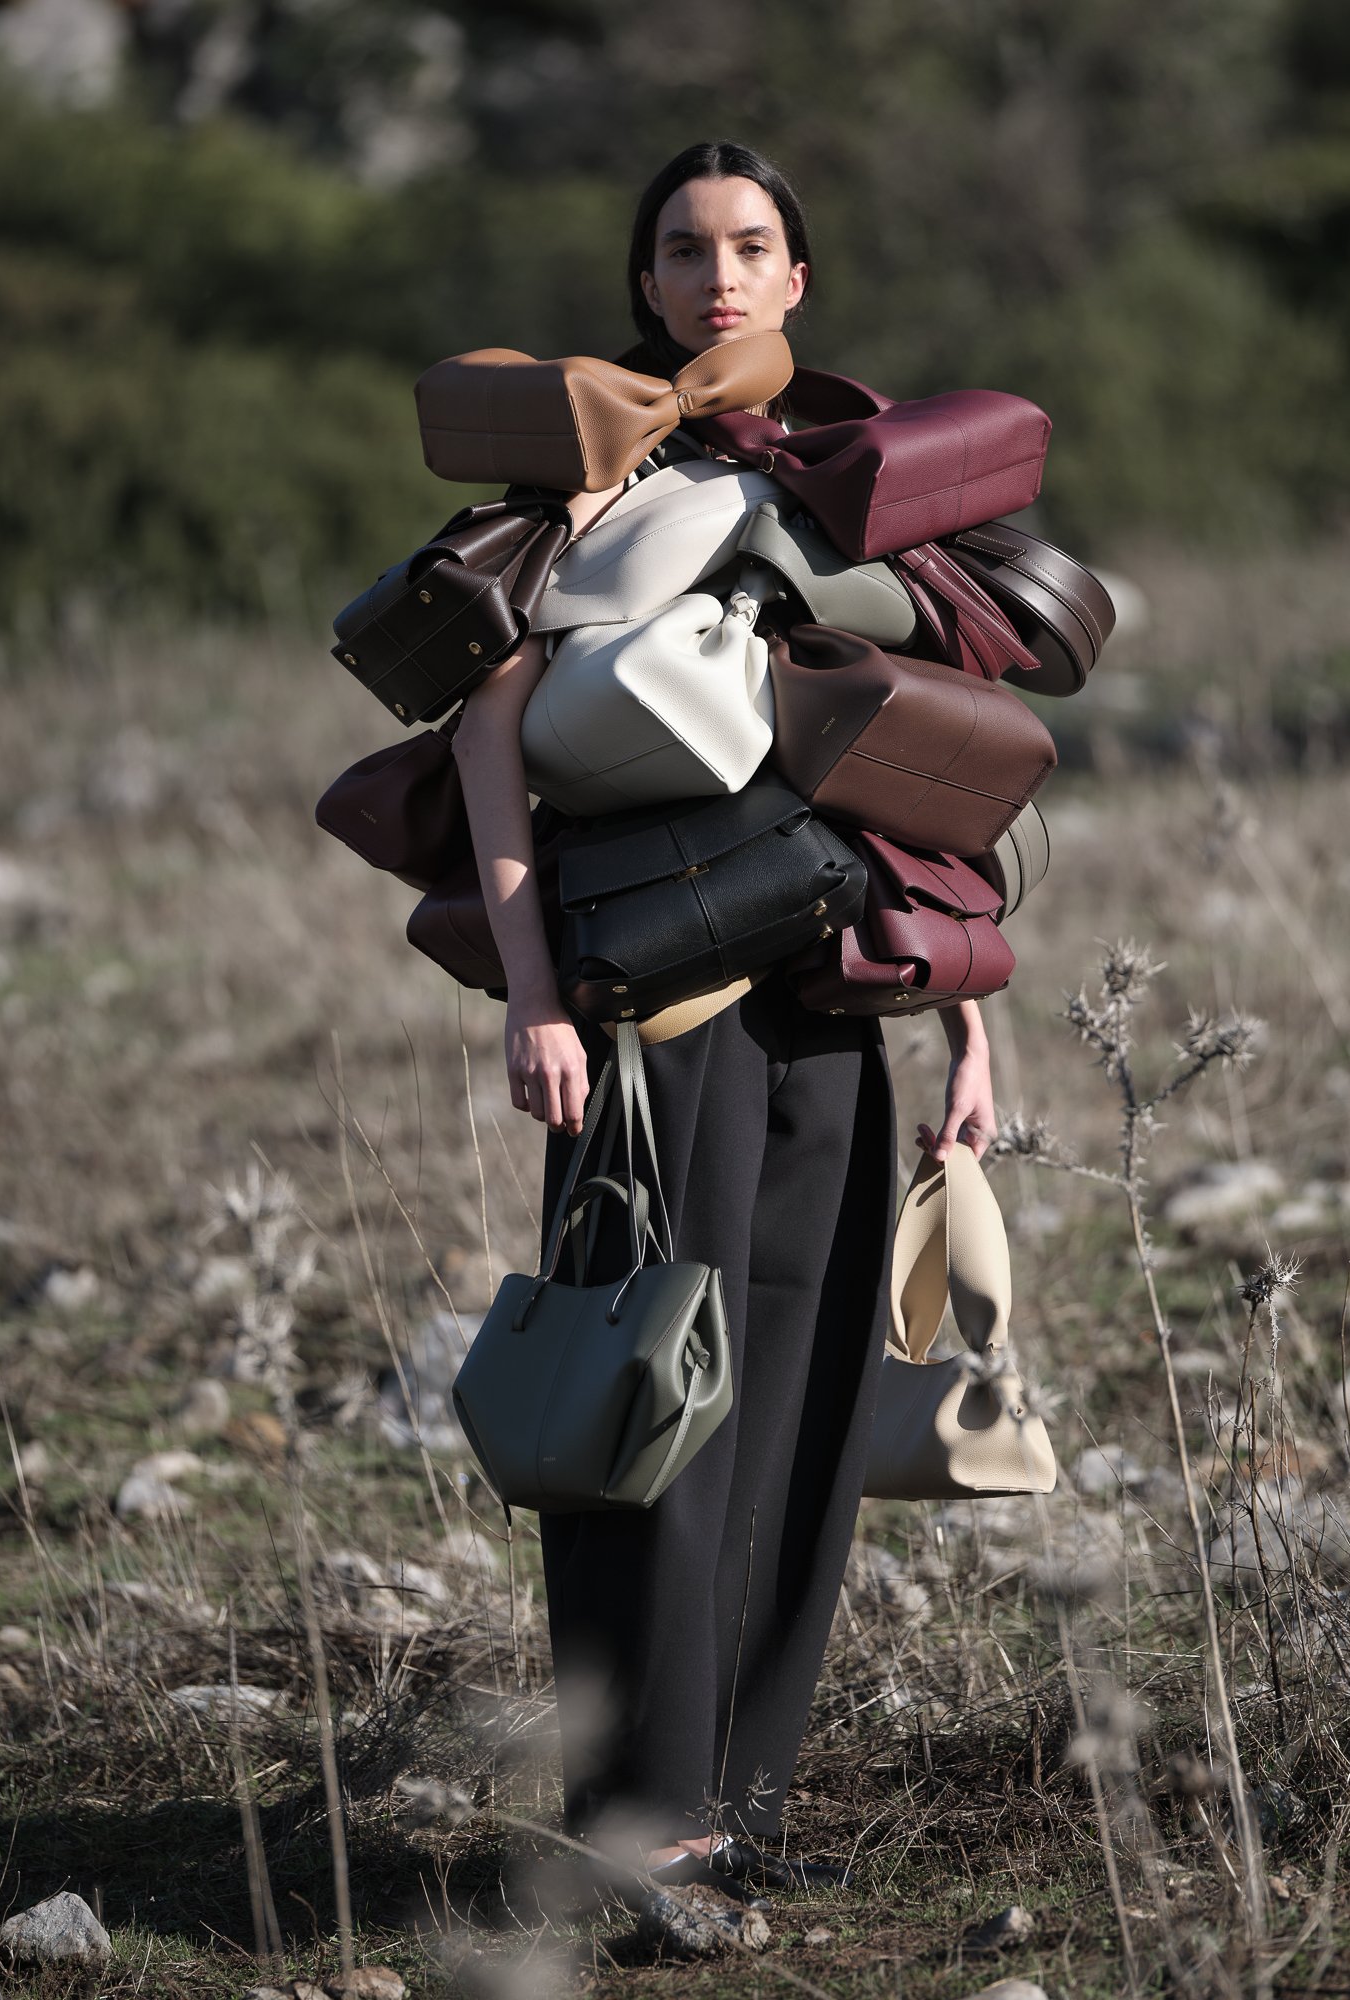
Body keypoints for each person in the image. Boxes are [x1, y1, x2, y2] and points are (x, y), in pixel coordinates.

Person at [451, 141, 997, 1895]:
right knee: (650, 1400)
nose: (719, 277)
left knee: (806, 1402)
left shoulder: (854, 472)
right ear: (647, 283)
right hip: (654, 1016)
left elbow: (922, 770)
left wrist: (970, 1026)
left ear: (798, 276)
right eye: (685, 250)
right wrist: (536, 999)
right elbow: (487, 746)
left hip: (828, 1006)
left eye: (751, 246)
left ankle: (740, 1807)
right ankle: (639, 1810)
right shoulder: (573, 476)